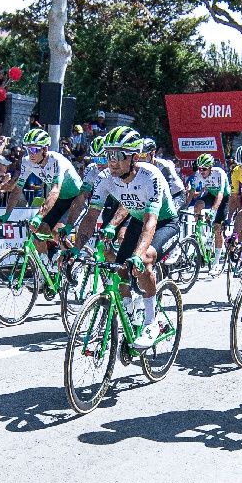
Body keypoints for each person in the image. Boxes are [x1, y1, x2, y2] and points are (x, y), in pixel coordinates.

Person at [80, 130, 179, 350]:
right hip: (137, 220)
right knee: (119, 269)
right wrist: (75, 250)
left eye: (118, 155)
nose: (112, 162)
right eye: (108, 155)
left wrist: (136, 255)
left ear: (134, 156)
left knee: (143, 260)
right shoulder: (106, 178)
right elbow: (90, 216)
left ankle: (151, 322)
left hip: (164, 222)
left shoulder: (150, 175)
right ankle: (128, 309)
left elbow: (151, 221)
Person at [16, 127, 85, 257]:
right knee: (40, 233)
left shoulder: (57, 161)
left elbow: (54, 191)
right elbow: (16, 189)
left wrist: (39, 215)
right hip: (60, 199)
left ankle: (75, 259)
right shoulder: (28, 162)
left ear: (45, 149)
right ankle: (46, 266)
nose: (31, 153)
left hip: (75, 198)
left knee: (58, 229)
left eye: (34, 149)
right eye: (28, 149)